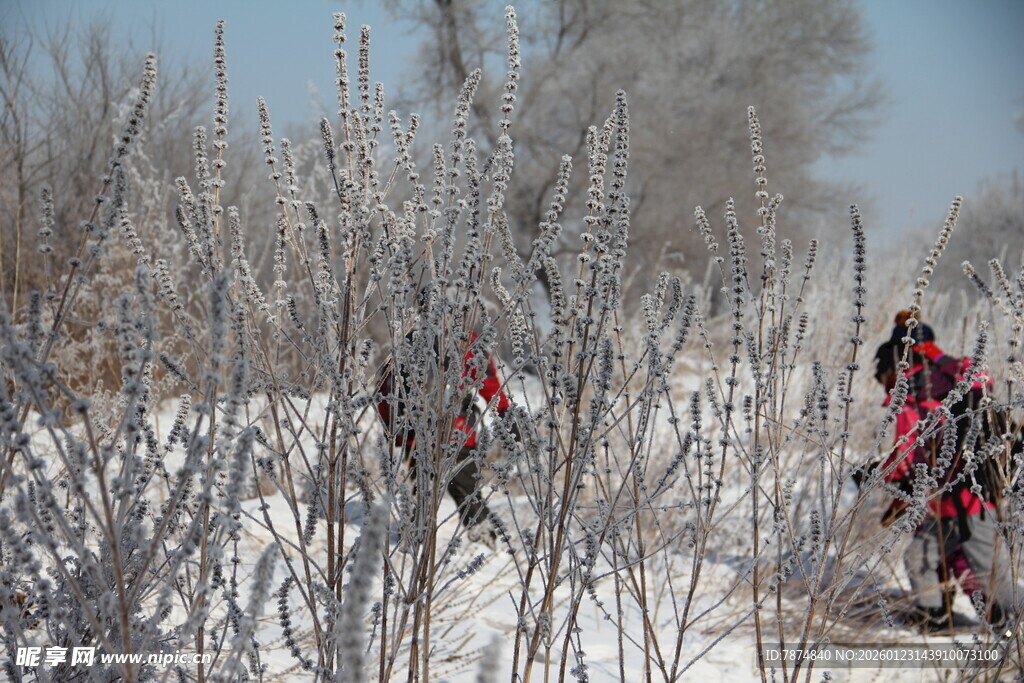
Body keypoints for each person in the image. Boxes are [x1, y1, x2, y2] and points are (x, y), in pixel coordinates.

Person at [873, 330, 1018, 633]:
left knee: (983, 567)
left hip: (969, 499)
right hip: (944, 500)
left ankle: (1007, 619)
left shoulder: (937, 396)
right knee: (923, 557)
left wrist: (888, 477)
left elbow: (907, 449)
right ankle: (933, 614)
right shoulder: (942, 394)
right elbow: (919, 449)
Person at [375, 323, 511, 545]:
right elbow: (488, 382)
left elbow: (384, 390)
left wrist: (396, 433)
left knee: (420, 495)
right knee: (467, 492)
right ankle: (483, 543)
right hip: (457, 432)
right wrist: (504, 411)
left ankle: (414, 546)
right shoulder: (465, 339)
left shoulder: (406, 341)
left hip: (417, 434)